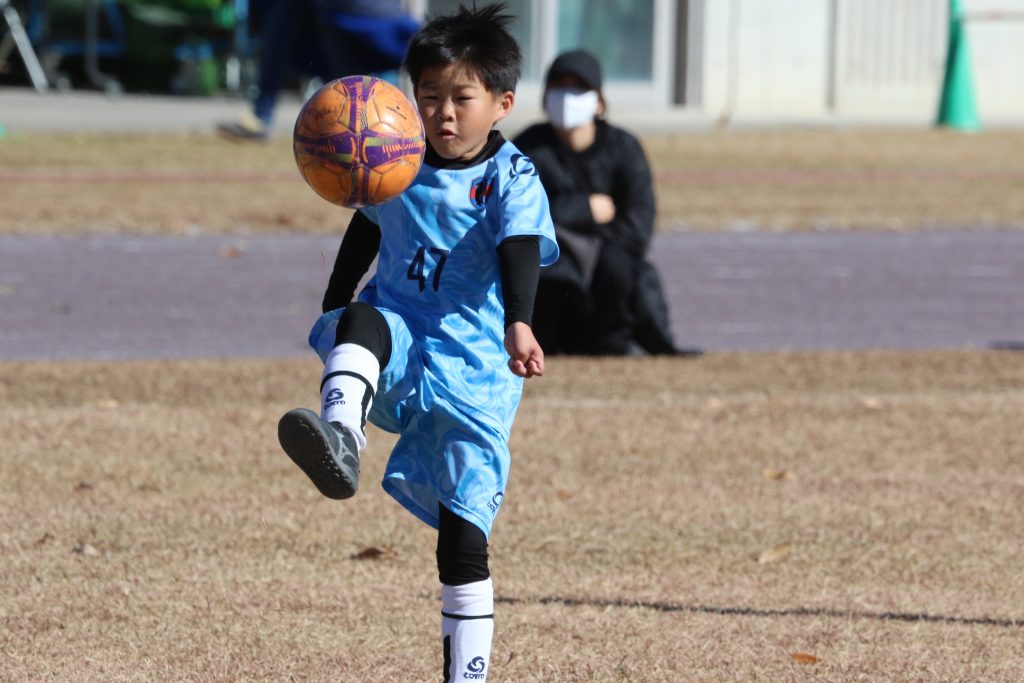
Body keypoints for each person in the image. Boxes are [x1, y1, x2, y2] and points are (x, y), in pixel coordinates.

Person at [275, 4, 558, 681]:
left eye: (461, 98)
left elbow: (520, 246)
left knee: (463, 540)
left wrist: (519, 319)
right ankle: (341, 437)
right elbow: (368, 224)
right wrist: (338, 298)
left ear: (502, 103)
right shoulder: (395, 157)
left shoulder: (511, 177)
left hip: (476, 371)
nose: (444, 114)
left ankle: (467, 674)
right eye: (429, 97)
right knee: (364, 324)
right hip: (403, 334)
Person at [513, 49, 700, 356]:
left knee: (617, 265)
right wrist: (586, 209)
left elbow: (639, 224)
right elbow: (519, 211)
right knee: (545, 266)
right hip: (554, 253)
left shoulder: (624, 148)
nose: (567, 97)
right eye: (558, 87)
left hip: (608, 255)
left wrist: (594, 247)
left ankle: (612, 341)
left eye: (578, 88)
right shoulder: (528, 147)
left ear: (599, 101)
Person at [218, 0, 418, 141]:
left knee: (354, 78)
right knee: (280, 32)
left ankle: (392, 127)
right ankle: (263, 114)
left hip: (355, 11)